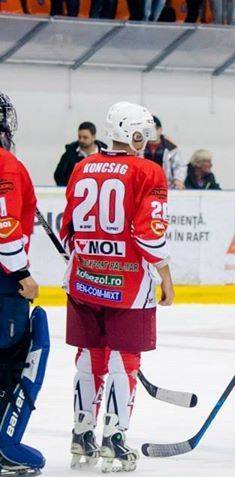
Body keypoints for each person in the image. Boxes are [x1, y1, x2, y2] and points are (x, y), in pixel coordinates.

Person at [60, 101, 175, 472]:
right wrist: (166, 276)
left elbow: (68, 228)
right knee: (124, 361)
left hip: (84, 280)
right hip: (128, 285)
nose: (148, 140)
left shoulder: (82, 167)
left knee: (89, 358)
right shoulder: (148, 170)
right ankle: (114, 439)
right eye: (144, 133)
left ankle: (82, 434)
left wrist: (88, 255)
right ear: (134, 133)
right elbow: (150, 233)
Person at [0, 93, 48, 476]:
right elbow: (4, 226)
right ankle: (4, 448)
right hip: (3, 284)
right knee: (12, 359)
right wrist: (21, 275)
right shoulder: (6, 165)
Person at [54, 122, 107, 187]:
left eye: (85, 137)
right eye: (79, 137)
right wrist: (67, 188)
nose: (81, 140)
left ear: (93, 137)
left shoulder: (104, 154)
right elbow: (58, 174)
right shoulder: (70, 153)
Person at [143, 115, 186, 190]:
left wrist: (178, 179)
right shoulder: (139, 147)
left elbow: (180, 166)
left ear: (160, 129)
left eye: (153, 130)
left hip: (166, 187)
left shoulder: (171, 147)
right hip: (144, 186)